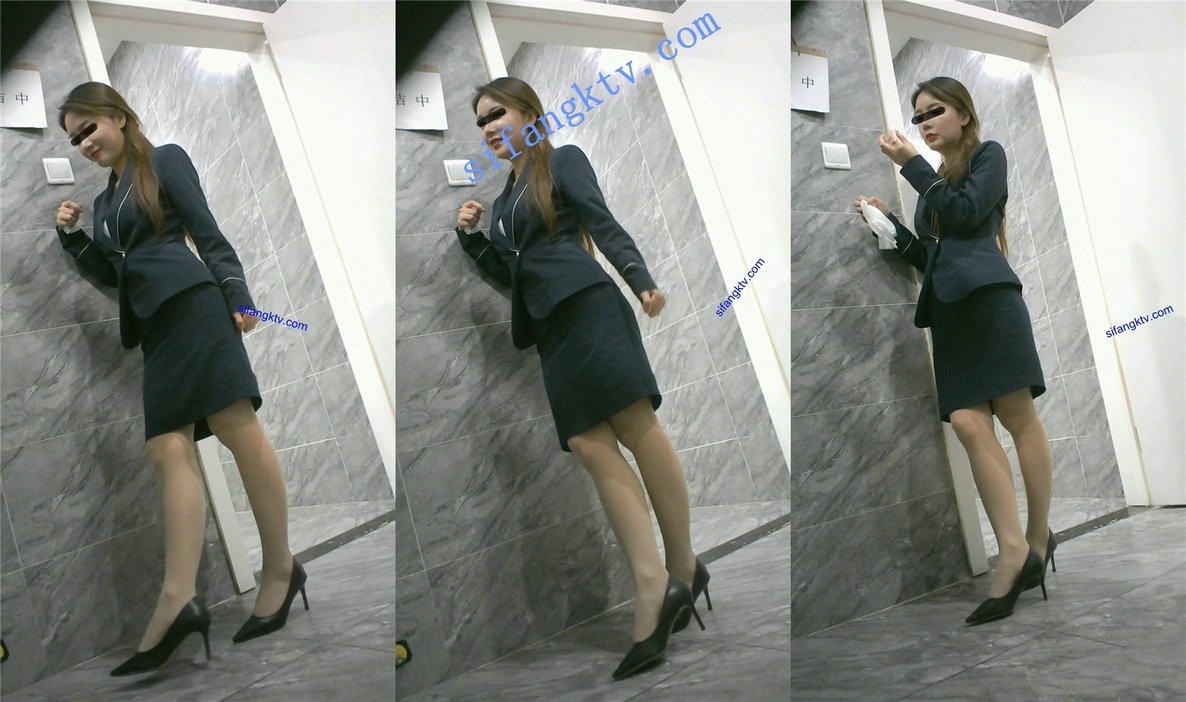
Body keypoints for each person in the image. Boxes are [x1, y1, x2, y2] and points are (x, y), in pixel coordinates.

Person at [454, 77, 711, 680]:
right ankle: (660, 579)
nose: (488, 127)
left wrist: (640, 279)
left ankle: (675, 571)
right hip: (550, 329)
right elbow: (515, 278)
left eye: (497, 114)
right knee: (590, 446)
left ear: (529, 114)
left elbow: (603, 222)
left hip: (590, 307)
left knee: (637, 428)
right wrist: (472, 241)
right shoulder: (504, 200)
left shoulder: (561, 160)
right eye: (480, 121)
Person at [53, 82, 307, 676]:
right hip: (155, 327)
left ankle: (279, 568)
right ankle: (179, 597)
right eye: (75, 138)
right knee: (166, 448)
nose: (85, 143)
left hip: (195, 306)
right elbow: (119, 277)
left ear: (118, 116)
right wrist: (73, 240)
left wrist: (237, 293)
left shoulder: (163, 160)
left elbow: (207, 231)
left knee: (236, 427)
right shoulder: (103, 203)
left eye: (89, 127)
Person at [854, 76, 1056, 626]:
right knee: (968, 423)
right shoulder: (934, 183)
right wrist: (889, 228)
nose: (924, 123)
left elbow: (967, 215)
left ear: (963, 114)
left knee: (1017, 415)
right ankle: (1012, 546)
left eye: (934, 111)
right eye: (918, 117)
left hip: (991, 302)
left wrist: (911, 165)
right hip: (948, 314)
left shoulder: (988, 156)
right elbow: (931, 256)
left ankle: (1036, 540)